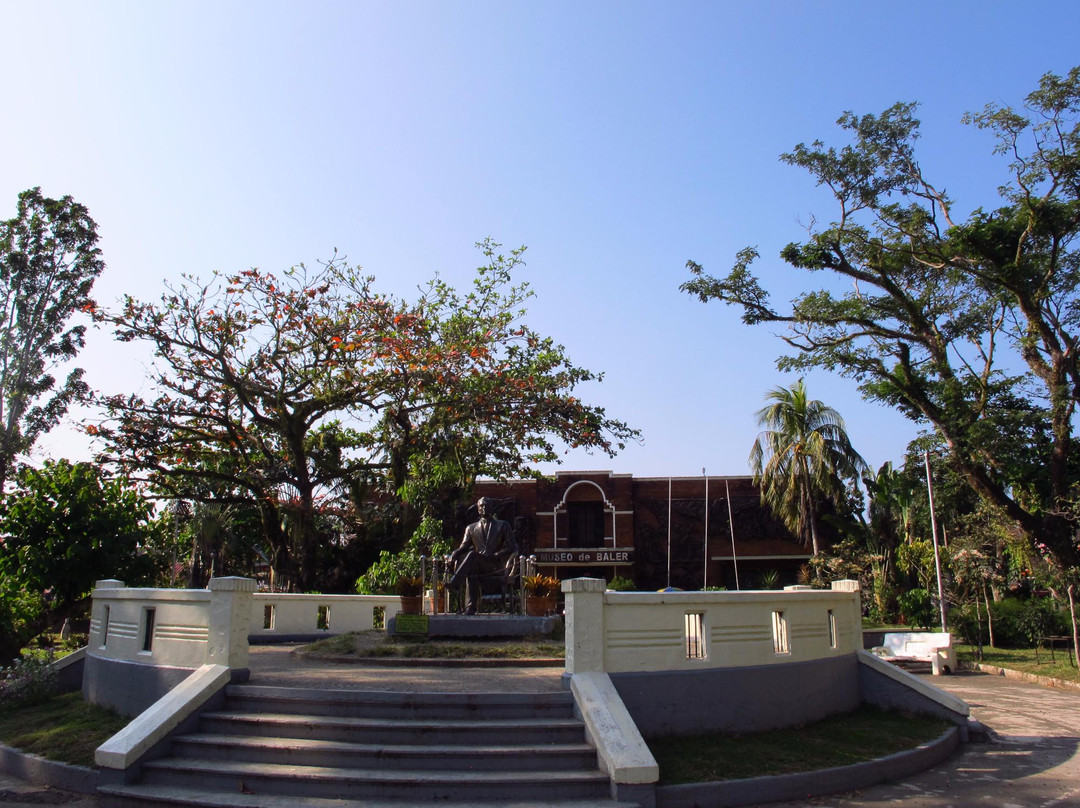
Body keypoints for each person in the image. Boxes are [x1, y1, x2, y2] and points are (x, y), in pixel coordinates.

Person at [449, 497, 518, 614]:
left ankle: (455, 583)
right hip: (477, 566)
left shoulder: (502, 525)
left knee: (472, 556)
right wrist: (454, 554)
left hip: (494, 565)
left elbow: (513, 547)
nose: (484, 508)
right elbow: (463, 547)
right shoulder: (470, 528)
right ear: (478, 509)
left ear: (492, 508)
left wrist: (497, 554)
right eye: (481, 506)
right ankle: (470, 608)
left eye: (487, 505)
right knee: (472, 565)